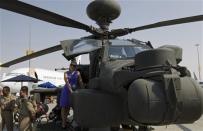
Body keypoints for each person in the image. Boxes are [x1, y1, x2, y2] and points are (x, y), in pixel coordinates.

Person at [60, 59, 84, 129]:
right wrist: (71, 91)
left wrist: (84, 90)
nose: (73, 66)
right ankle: (63, 123)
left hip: (74, 92)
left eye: (75, 66)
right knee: (64, 107)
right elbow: (67, 83)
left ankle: (76, 122)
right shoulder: (66, 73)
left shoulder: (78, 73)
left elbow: (81, 82)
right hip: (66, 91)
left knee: (75, 107)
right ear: (70, 65)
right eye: (72, 65)